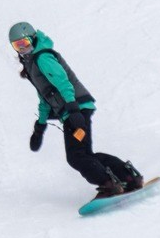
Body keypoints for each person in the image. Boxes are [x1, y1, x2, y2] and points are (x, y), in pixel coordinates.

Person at [9, 23, 144, 199]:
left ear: (33, 39)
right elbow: (45, 98)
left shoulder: (43, 58)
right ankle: (128, 177)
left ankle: (109, 184)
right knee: (85, 155)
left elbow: (63, 83)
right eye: (17, 45)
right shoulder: (32, 64)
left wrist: (73, 109)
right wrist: (39, 127)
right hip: (74, 109)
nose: (22, 49)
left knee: (77, 157)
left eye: (25, 43)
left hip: (76, 108)